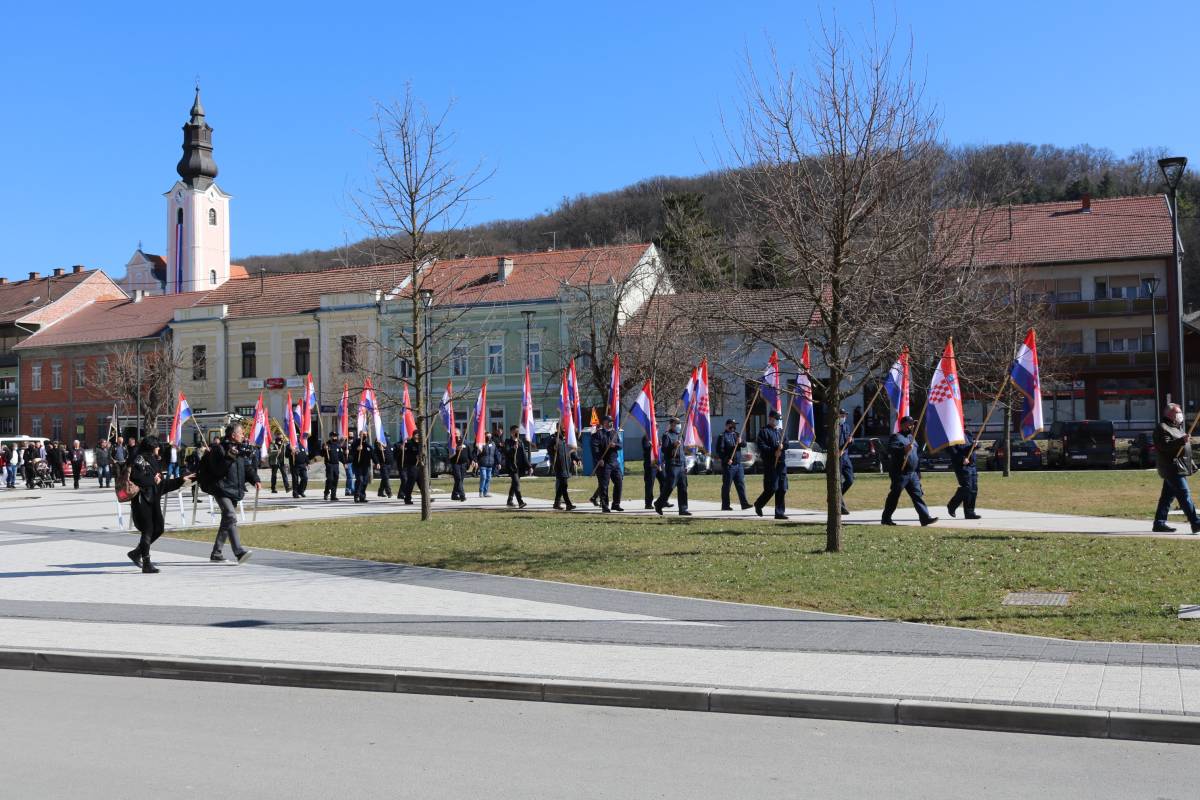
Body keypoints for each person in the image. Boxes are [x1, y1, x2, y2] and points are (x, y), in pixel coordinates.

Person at [125, 436, 191, 574]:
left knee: (159, 528)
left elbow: (161, 485)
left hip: (153, 500)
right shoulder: (139, 459)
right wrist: (153, 480)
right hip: (141, 500)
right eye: (157, 446)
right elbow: (136, 478)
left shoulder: (154, 461)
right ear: (151, 447)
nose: (159, 448)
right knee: (148, 529)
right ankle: (146, 563)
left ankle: (136, 553)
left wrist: (180, 480)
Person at [207, 422, 259, 564]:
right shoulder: (219, 449)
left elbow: (246, 467)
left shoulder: (240, 449)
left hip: (235, 489)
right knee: (230, 515)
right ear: (233, 435)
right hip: (221, 488)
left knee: (227, 520)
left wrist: (255, 479)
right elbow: (217, 470)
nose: (243, 435)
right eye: (241, 432)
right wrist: (229, 457)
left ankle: (216, 553)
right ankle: (239, 552)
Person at [1151, 403, 1200, 534]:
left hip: (1178, 467)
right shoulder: (1162, 428)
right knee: (1184, 495)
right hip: (1171, 468)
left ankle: (1159, 523)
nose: (1180, 414)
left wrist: (1192, 465)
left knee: (1167, 497)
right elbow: (1164, 446)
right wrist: (1181, 441)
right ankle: (1196, 522)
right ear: (1169, 414)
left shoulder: (1177, 428)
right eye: (1178, 412)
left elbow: (1183, 450)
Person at [882, 415, 937, 527]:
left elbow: (915, 456)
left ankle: (925, 518)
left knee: (917, 495)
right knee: (894, 495)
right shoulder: (896, 437)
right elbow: (891, 450)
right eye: (909, 423)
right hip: (900, 473)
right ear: (902, 425)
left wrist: (918, 472)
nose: (912, 426)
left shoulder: (912, 437)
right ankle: (886, 518)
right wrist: (904, 449)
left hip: (912, 474)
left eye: (913, 424)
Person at [754, 410, 788, 520]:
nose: (778, 421)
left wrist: (783, 446)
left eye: (778, 420)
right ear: (771, 418)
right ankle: (759, 504)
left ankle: (779, 512)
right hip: (770, 464)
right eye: (776, 419)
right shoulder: (764, 431)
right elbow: (761, 446)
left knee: (782, 488)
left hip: (781, 464)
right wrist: (774, 451)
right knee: (772, 488)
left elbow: (787, 443)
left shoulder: (780, 431)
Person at [654, 416, 690, 516]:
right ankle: (659, 503)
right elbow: (664, 450)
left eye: (679, 423)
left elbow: (682, 452)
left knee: (683, 487)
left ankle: (683, 509)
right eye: (677, 424)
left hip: (681, 464)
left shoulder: (680, 435)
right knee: (669, 487)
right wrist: (673, 445)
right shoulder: (667, 435)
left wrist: (685, 464)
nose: (679, 425)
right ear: (672, 424)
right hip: (673, 465)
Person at [715, 418, 752, 511]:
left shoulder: (737, 435)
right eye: (732, 425)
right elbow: (720, 451)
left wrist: (741, 441)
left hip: (738, 464)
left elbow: (744, 444)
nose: (734, 427)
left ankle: (744, 504)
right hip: (729, 465)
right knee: (727, 485)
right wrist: (726, 459)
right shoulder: (722, 436)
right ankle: (725, 505)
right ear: (727, 425)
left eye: (735, 425)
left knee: (741, 484)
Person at [591, 415, 624, 513]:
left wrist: (614, 445)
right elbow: (594, 448)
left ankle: (616, 504)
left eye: (612, 421)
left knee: (619, 482)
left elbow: (620, 445)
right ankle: (605, 505)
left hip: (614, 462)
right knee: (604, 485)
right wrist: (599, 459)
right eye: (609, 421)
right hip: (604, 463)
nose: (611, 423)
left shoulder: (614, 433)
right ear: (604, 422)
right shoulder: (598, 434)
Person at [946, 431, 981, 520]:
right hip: (962, 465)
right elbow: (951, 450)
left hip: (972, 465)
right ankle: (952, 505)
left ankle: (969, 512)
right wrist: (962, 458)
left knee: (973, 489)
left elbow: (970, 447)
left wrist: (976, 445)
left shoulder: (967, 433)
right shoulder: (953, 433)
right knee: (967, 487)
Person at [549, 424, 578, 510]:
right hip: (559, 466)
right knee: (564, 485)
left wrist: (577, 459)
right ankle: (568, 504)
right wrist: (553, 448)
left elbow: (570, 452)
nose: (564, 429)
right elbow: (549, 449)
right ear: (558, 428)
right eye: (563, 427)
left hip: (566, 466)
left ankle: (556, 503)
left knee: (562, 486)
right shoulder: (554, 439)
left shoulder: (564, 440)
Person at [504, 425, 529, 508]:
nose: (517, 433)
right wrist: (513, 448)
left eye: (518, 431)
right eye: (515, 432)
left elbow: (524, 455)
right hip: (512, 467)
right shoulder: (508, 441)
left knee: (514, 484)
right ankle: (520, 502)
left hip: (519, 467)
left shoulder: (520, 442)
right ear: (511, 432)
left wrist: (529, 466)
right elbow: (506, 452)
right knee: (516, 483)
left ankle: (509, 500)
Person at [400, 431, 425, 505]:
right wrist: (415, 457)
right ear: (413, 435)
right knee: (411, 483)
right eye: (416, 435)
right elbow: (407, 455)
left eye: (418, 434)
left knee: (422, 483)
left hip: (420, 466)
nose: (418, 436)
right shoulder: (410, 443)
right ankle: (407, 498)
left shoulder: (421, 444)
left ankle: (425, 498)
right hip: (412, 466)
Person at [837, 409, 854, 516]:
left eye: (845, 415)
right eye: (842, 415)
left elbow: (851, 440)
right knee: (837, 482)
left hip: (845, 457)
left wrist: (851, 440)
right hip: (836, 457)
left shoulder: (847, 426)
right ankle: (841, 506)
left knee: (850, 480)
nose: (844, 417)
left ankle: (835, 497)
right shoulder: (833, 427)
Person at [351, 432, 373, 502]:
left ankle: (362, 496)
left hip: (366, 466)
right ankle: (356, 496)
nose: (365, 436)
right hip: (357, 465)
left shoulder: (368, 445)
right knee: (360, 480)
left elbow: (372, 454)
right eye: (363, 434)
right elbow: (351, 453)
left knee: (365, 481)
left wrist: (377, 462)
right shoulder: (355, 443)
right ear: (360, 435)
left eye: (366, 435)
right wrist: (357, 449)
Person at [475, 431, 498, 498]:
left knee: (488, 478)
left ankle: (486, 492)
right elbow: (476, 453)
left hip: (490, 464)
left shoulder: (493, 444)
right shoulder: (481, 444)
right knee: (483, 477)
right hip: (483, 463)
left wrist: (498, 462)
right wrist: (476, 461)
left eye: (490, 436)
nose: (489, 437)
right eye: (487, 436)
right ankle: (481, 492)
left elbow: (496, 453)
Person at [449, 428, 469, 502]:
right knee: (458, 479)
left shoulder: (465, 441)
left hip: (463, 464)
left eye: (456, 433)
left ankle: (454, 494)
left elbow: (468, 451)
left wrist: (473, 460)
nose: (455, 434)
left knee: (460, 480)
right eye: (454, 433)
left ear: (460, 433)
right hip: (455, 463)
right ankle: (462, 495)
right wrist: (456, 449)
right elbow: (450, 451)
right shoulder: (451, 442)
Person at [321, 434, 341, 501]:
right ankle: (326, 492)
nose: (335, 437)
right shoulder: (326, 444)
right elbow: (321, 454)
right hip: (329, 464)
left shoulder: (338, 445)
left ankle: (333, 496)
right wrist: (324, 449)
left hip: (336, 465)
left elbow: (340, 455)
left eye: (336, 436)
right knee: (330, 479)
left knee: (335, 480)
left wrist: (345, 463)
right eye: (333, 436)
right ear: (330, 437)